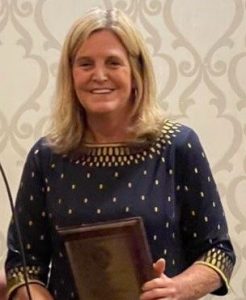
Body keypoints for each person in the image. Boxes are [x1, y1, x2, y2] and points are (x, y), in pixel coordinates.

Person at [5, 7, 235, 300]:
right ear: (70, 74)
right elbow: (22, 267)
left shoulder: (178, 146)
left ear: (136, 72)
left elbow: (218, 252)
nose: (99, 76)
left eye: (113, 63)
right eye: (85, 64)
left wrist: (179, 289)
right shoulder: (46, 156)